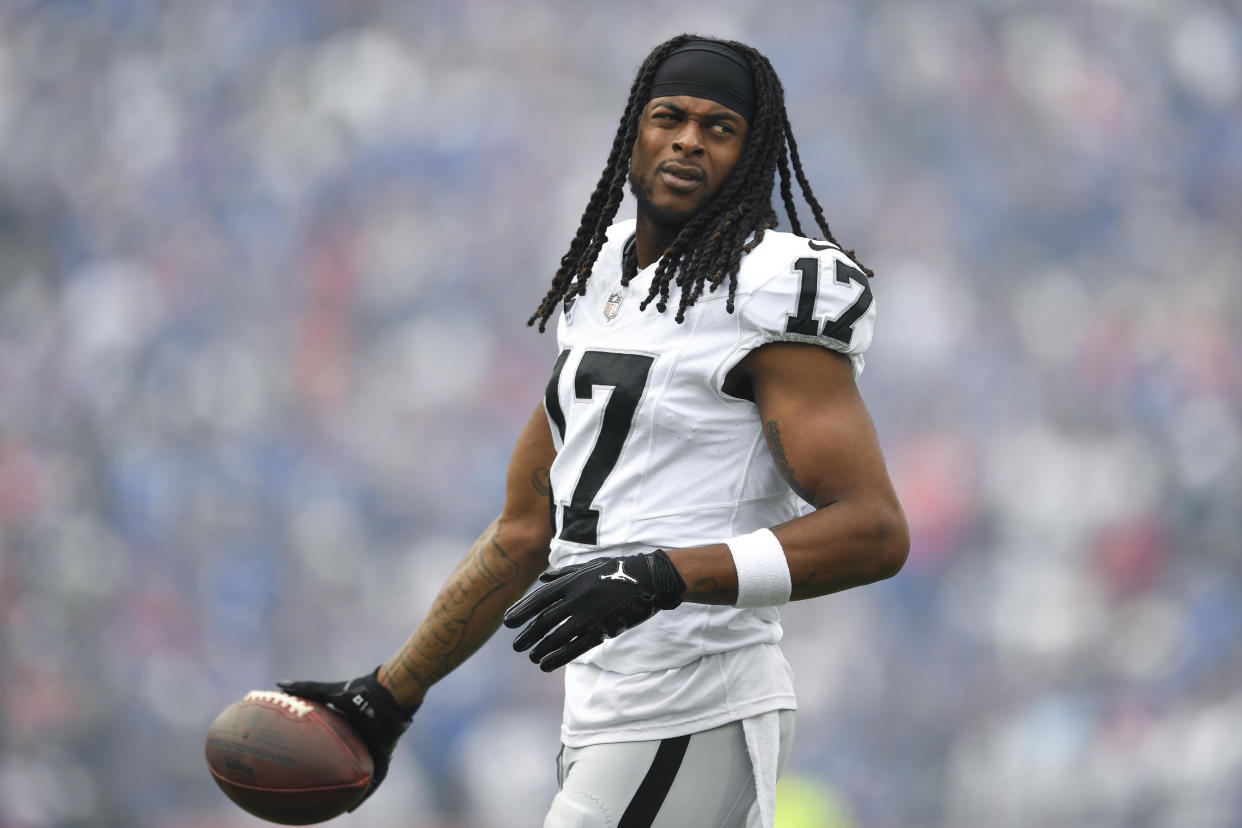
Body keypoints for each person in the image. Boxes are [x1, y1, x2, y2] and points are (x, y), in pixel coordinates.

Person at [278, 34, 909, 828]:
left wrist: (666, 574)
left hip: (694, 701)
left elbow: (875, 531)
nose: (687, 138)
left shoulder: (772, 292)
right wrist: (387, 694)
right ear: (634, 133)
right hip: (605, 712)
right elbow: (525, 529)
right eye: (668, 117)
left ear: (752, 158)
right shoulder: (604, 279)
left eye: (719, 128)